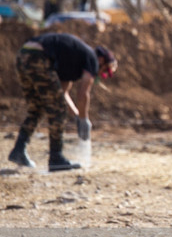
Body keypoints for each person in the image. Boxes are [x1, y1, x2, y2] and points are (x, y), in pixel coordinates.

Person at [8, 33, 118, 171]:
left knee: (37, 109)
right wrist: (84, 120)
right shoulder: (92, 59)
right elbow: (83, 93)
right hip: (39, 57)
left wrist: (78, 116)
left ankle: (18, 150)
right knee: (58, 110)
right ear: (101, 60)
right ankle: (56, 158)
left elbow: (63, 93)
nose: (100, 74)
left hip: (23, 55)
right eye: (105, 70)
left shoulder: (73, 60)